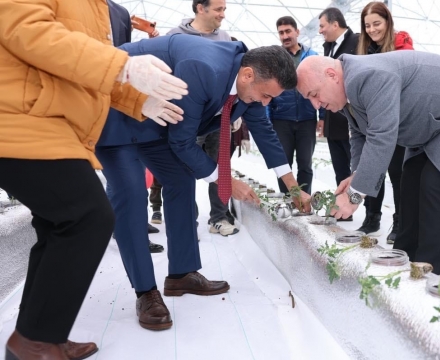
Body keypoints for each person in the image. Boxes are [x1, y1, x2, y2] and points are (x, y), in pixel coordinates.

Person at [0, 0, 187, 358]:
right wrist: (124, 65)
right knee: (88, 216)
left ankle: (40, 332)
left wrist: (135, 100)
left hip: (51, 120)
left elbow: (85, 64)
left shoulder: (98, 6)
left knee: (58, 225)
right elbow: (29, 33)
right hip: (19, 117)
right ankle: (34, 341)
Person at [98, 34, 311, 331]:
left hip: (156, 123)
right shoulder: (204, 68)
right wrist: (225, 179)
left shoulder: (249, 84)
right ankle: (146, 292)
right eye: (266, 96)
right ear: (248, 74)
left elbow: (264, 130)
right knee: (131, 193)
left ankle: (182, 274)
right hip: (117, 115)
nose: (266, 102)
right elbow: (183, 141)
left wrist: (294, 187)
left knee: (181, 180)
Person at [296, 53, 440, 275]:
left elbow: (381, 137)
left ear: (331, 75)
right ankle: (401, 263)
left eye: (315, 94)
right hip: (433, 125)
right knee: (411, 181)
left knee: (436, 186)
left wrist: (354, 196)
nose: (315, 104)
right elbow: (360, 133)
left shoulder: (366, 76)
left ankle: (428, 275)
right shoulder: (347, 87)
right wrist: (356, 174)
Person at [165, 0, 241, 236]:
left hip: (218, 118)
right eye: (219, 9)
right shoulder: (176, 35)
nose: (223, 15)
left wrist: (236, 111)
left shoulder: (225, 38)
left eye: (224, 9)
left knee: (221, 166)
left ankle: (218, 218)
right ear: (200, 8)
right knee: (185, 167)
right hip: (185, 118)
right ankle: (188, 221)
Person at [103, 0, 166, 254]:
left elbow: (124, 55)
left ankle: (134, 224)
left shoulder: (119, 13)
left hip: (120, 100)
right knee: (118, 172)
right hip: (90, 99)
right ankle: (122, 226)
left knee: (132, 167)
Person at [355, 1, 413, 240]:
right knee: (373, 168)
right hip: (372, 119)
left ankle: (400, 222)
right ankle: (372, 217)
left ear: (388, 22)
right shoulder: (365, 50)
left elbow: (406, 78)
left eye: (377, 23)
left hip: (397, 120)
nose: (372, 30)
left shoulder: (401, 45)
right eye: (367, 25)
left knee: (397, 174)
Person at [268, 16, 324, 195]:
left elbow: (322, 87)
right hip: (281, 119)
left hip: (307, 119)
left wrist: (321, 116)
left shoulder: (312, 56)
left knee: (305, 164)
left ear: (297, 32)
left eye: (288, 31)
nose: (285, 36)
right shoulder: (274, 60)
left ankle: (304, 201)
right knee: (284, 164)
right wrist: (268, 119)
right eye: (281, 32)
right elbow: (267, 93)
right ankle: (288, 200)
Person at [318, 7, 358, 221]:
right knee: (340, 167)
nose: (320, 31)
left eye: (322, 26)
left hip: (351, 118)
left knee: (357, 168)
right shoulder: (328, 47)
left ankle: (371, 213)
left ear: (335, 24)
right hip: (334, 119)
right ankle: (343, 210)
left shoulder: (356, 41)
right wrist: (323, 118)